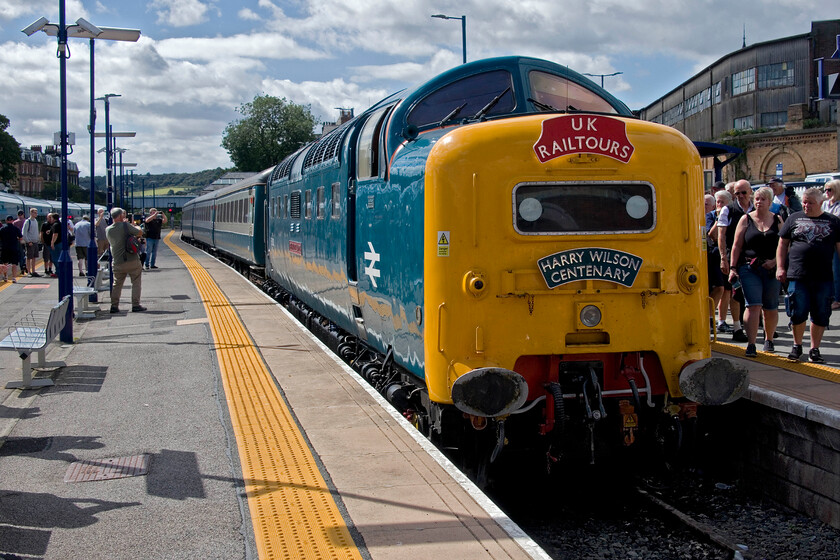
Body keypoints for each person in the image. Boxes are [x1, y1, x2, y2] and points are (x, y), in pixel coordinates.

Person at [776, 187, 840, 363]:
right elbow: (782, 245)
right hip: (798, 275)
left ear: (821, 203)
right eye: (804, 202)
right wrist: (780, 267)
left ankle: (815, 349)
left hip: (823, 277)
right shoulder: (794, 218)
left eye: (810, 203)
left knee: (821, 313)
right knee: (797, 311)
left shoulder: (833, 221)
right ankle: (797, 345)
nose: (806, 205)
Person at [727, 187, 783, 357]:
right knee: (753, 305)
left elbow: (784, 245)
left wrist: (776, 262)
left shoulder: (778, 220)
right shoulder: (746, 219)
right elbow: (736, 246)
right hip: (749, 268)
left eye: (763, 199)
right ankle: (751, 343)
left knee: (771, 306)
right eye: (757, 198)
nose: (759, 202)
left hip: (771, 268)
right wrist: (732, 267)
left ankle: (769, 339)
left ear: (770, 202)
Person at [717, 179, 753, 342]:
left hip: (755, 257)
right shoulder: (728, 210)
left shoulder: (758, 208)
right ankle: (737, 328)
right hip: (735, 258)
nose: (740, 196)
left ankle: (766, 331)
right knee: (735, 293)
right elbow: (721, 235)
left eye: (743, 192)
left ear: (750, 192)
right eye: (737, 193)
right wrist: (723, 258)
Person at [105, 207, 145, 313]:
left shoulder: (108, 229)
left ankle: (114, 306)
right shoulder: (125, 225)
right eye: (123, 215)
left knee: (117, 284)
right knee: (136, 282)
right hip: (132, 259)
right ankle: (135, 305)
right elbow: (140, 232)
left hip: (117, 261)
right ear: (120, 216)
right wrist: (133, 225)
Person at [709, 190, 731, 333]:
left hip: (728, 256)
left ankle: (722, 320)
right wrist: (719, 220)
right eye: (718, 202)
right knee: (719, 288)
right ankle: (710, 318)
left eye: (723, 202)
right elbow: (712, 235)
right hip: (714, 256)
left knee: (727, 290)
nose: (719, 205)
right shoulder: (710, 217)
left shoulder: (732, 215)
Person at [821, 179, 840, 310]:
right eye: (825, 189)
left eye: (830, 190)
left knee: (836, 271)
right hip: (824, 242)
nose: (826, 192)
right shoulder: (824, 204)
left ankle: (837, 299)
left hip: (835, 242)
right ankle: (829, 296)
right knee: (826, 271)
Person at [0, 215, 22, 282]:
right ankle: (14, 278)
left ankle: (5, 277)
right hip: (14, 248)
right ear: (12, 221)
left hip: (5, 248)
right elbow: (20, 237)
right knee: (14, 264)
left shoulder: (2, 229)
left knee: (5, 263)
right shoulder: (16, 228)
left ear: (6, 221)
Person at [21, 208, 41, 277]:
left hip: (35, 242)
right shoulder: (28, 221)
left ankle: (34, 271)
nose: (36, 214)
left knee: (34, 257)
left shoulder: (35, 221)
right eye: (35, 213)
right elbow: (24, 233)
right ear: (31, 213)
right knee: (29, 257)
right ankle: (29, 272)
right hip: (30, 242)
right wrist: (28, 241)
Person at [41, 212, 55, 277]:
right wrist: (42, 240)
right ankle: (46, 269)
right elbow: (42, 233)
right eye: (49, 217)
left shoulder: (54, 225)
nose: (50, 218)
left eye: (51, 217)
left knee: (52, 257)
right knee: (46, 257)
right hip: (46, 243)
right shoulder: (44, 225)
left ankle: (50, 269)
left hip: (52, 243)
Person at [13, 210, 26, 275]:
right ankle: (25, 265)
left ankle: (22, 267)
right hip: (25, 239)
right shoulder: (26, 221)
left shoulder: (15, 222)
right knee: (25, 253)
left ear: (17, 215)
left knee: (20, 254)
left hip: (18, 240)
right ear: (23, 214)